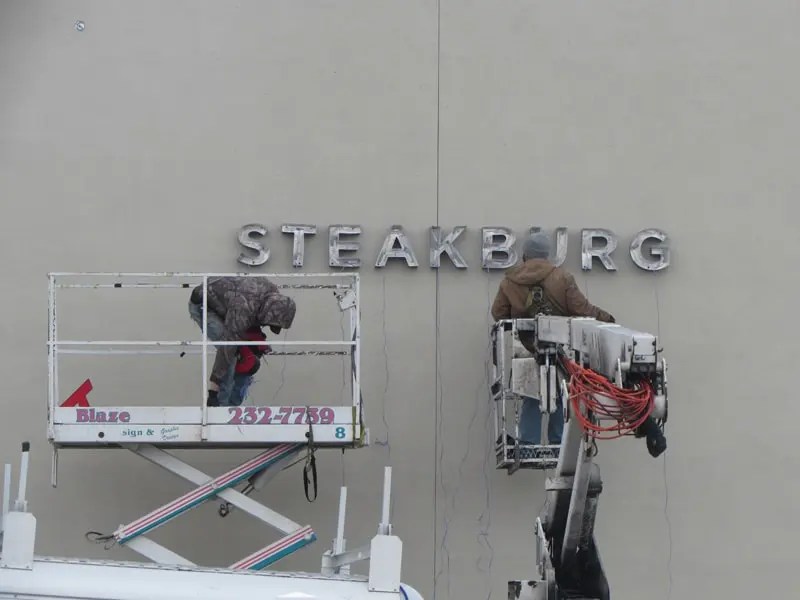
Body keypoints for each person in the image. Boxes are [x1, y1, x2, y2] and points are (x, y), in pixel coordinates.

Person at [491, 232, 615, 446]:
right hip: (560, 348)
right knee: (562, 391)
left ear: (525, 255)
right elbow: (581, 309)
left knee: (530, 390)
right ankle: (560, 441)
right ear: (546, 255)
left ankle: (528, 440)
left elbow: (498, 314)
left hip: (527, 348)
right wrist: (607, 319)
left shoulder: (509, 281)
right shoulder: (562, 277)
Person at [188, 276, 297, 407]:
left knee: (250, 359)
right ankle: (220, 407)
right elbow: (227, 348)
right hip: (205, 305)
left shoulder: (272, 295)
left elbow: (253, 318)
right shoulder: (243, 308)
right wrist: (213, 389)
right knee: (231, 355)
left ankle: (233, 405)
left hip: (230, 307)